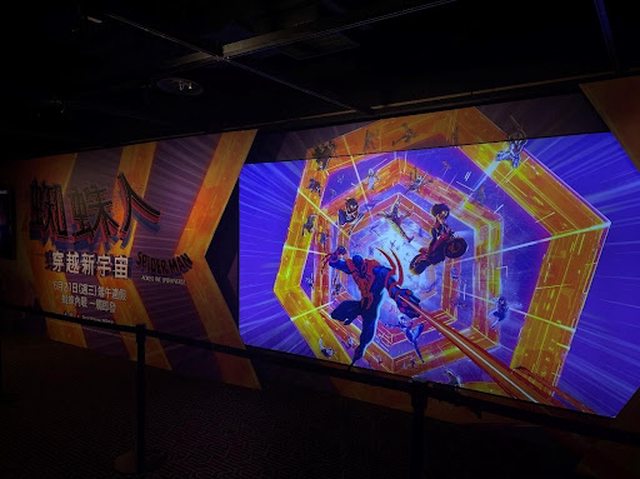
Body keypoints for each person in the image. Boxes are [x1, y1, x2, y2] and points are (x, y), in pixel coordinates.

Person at [327, 246, 420, 366]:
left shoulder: (376, 270)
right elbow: (333, 263)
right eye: (357, 269)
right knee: (336, 314)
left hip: (371, 310)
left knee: (365, 337)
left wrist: (398, 295)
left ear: (364, 265)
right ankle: (352, 317)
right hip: (362, 304)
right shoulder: (353, 267)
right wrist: (336, 253)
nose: (360, 271)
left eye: (361, 268)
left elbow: (389, 281)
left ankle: (360, 350)